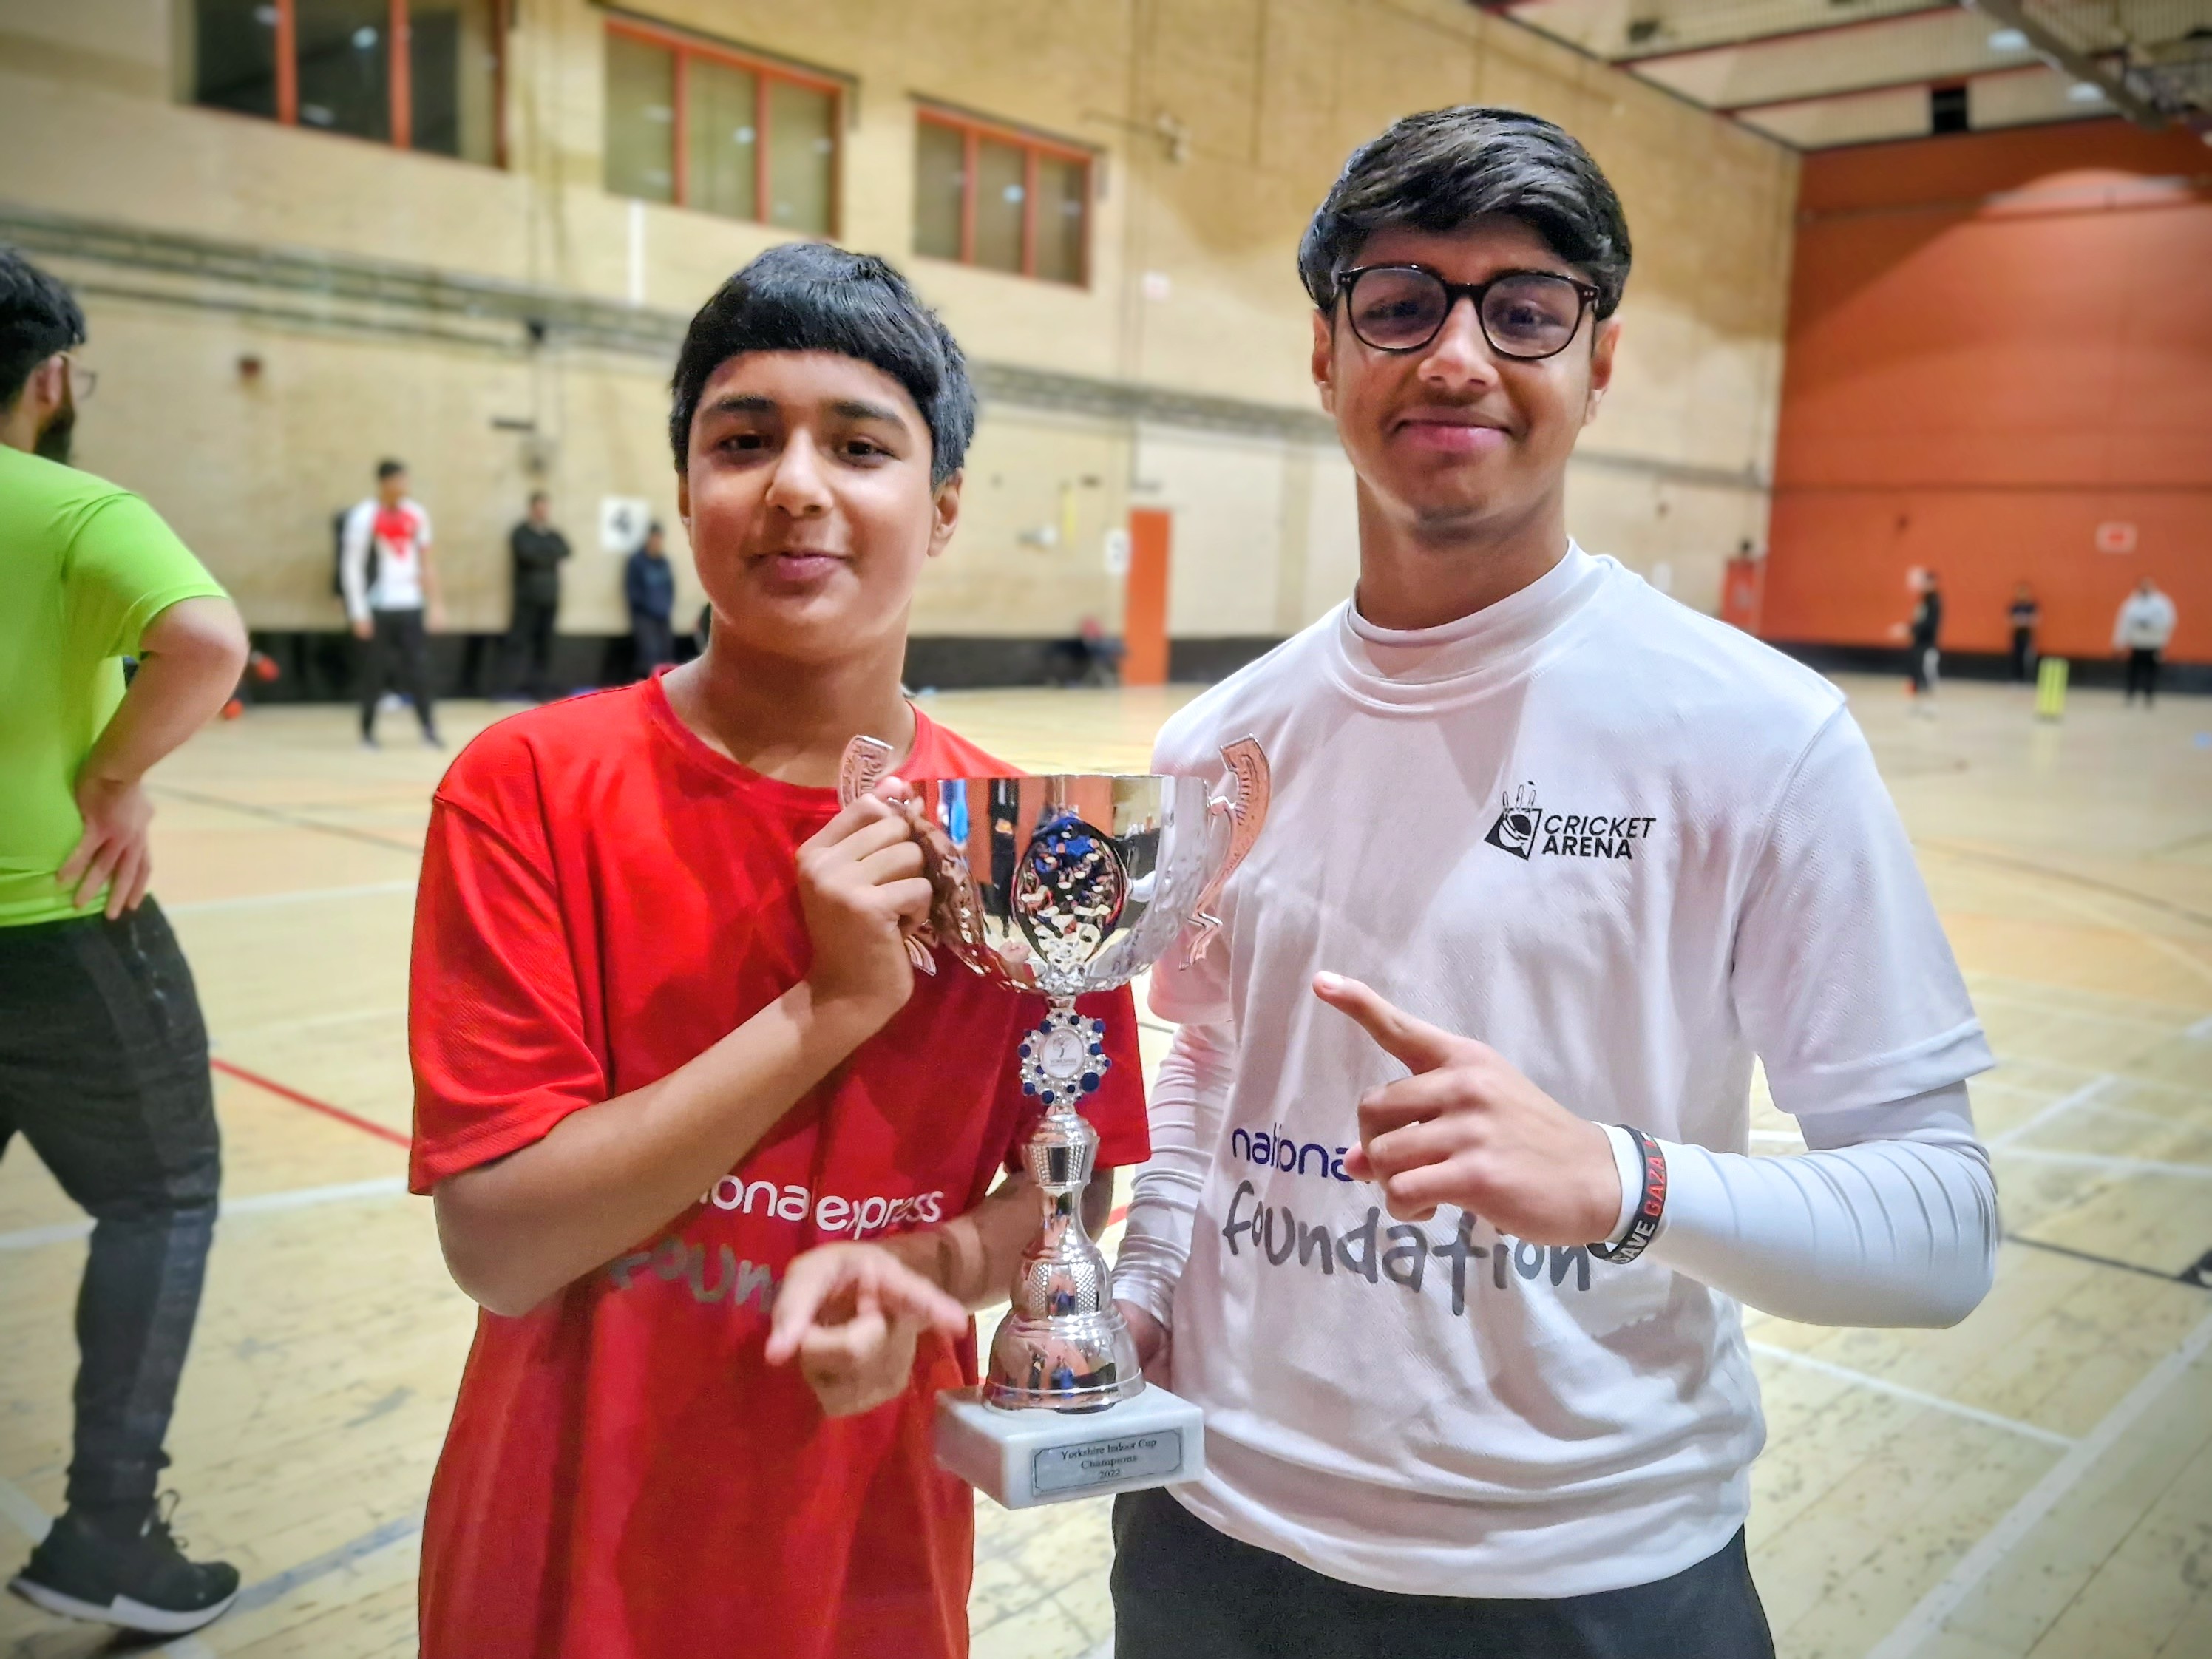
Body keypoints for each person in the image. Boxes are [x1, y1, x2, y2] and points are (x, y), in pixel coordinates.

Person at [1107, 109, 1998, 1659]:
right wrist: (1134, 1283)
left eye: (1523, 308)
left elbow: (1940, 1228)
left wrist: (1621, 1181)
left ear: (1598, 361)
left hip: (1583, 1578)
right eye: (1398, 301)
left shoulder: (1756, 736)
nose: (1455, 356)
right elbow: (1204, 1059)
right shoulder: (1222, 739)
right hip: (1212, 1544)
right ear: (1325, 357)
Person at [404, 242, 1148, 1659]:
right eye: (742, 440)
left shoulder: (1035, 844)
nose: (796, 483)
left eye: (858, 444)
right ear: (688, 490)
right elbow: (501, 1246)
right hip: (563, 1563)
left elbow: (1071, 1183)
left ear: (938, 511)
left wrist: (927, 1266)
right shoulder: (530, 786)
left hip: (865, 1563)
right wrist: (830, 1005)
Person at [0, 248, 248, 1635]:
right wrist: (114, 773)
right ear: (48, 376)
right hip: (58, 927)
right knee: (159, 1196)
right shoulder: (73, 503)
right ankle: (106, 1532)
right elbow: (204, 640)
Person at [339, 458, 442, 747]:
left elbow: (426, 561)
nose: (403, 487)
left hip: (410, 603)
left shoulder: (416, 514)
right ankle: (367, 733)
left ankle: (429, 729)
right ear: (384, 483)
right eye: (398, 481)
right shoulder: (363, 516)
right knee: (374, 671)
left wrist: (435, 604)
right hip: (378, 605)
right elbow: (351, 567)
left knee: (419, 669)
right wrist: (358, 611)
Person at [505, 490, 569, 699]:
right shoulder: (521, 533)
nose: (542, 512)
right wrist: (548, 556)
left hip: (549, 599)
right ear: (532, 509)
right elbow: (527, 556)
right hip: (527, 599)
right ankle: (512, 687)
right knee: (520, 643)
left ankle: (539, 687)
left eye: (545, 508)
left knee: (545, 646)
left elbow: (566, 551)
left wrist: (543, 554)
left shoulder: (552, 534)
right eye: (539, 508)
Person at [2113, 577, 2177, 707]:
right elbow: (2123, 623)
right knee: (2133, 672)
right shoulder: (2132, 603)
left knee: (2151, 672)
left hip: (2153, 644)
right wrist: (2119, 643)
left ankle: (2149, 696)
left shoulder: (2162, 603)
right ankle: (2130, 695)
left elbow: (2169, 621)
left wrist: (2161, 638)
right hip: (2137, 644)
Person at [625, 519, 676, 678]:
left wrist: (666, 607)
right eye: (654, 537)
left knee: (666, 653)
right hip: (644, 615)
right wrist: (645, 606)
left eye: (659, 538)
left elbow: (670, 587)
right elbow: (631, 589)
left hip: (662, 614)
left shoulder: (663, 562)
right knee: (649, 654)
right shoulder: (637, 561)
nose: (656, 542)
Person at [1907, 568, 1942, 710]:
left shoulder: (1935, 602)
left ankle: (1930, 705)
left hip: (1928, 644)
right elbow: (1918, 620)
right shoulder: (1924, 601)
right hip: (1919, 644)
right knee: (1916, 674)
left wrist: (1910, 630)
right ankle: (1917, 704)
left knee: (1928, 674)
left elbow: (1928, 623)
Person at [2008, 582, 2039, 682]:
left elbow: (2035, 620)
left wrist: (2023, 621)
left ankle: (2028, 678)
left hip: (2027, 634)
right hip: (2017, 633)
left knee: (2028, 657)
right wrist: (2020, 621)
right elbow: (2010, 620)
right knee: (2016, 655)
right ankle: (2017, 677)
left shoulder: (2031, 606)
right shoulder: (2015, 606)